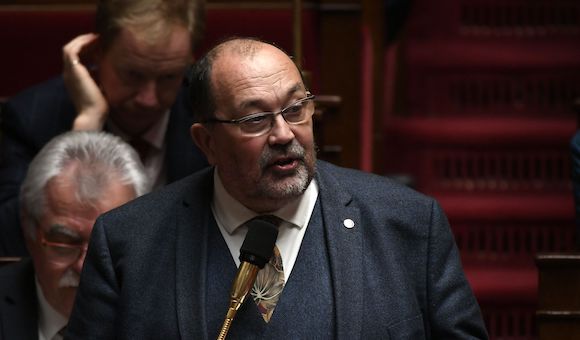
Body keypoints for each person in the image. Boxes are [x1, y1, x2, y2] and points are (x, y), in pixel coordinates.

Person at [66, 38, 488, 338]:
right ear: (206, 142)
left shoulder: (407, 224)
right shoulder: (128, 242)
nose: (284, 134)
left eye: (295, 108)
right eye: (255, 119)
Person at [0, 0, 208, 257]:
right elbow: (9, 238)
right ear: (96, 52)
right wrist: (85, 129)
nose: (149, 99)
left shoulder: (210, 116)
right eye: (133, 75)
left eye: (168, 77)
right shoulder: (31, 117)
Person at [0, 131, 149, 340]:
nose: (85, 267)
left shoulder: (170, 313)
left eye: (109, 246)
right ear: (29, 231)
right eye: (66, 241)